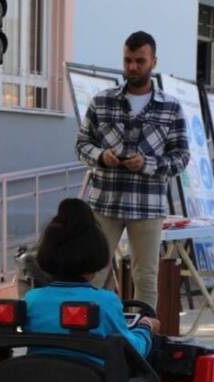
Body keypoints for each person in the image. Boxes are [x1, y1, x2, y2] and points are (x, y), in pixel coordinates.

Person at [75, 30, 190, 308]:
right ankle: (87, 332)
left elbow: (182, 157)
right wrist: (102, 156)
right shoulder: (101, 101)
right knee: (93, 272)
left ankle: (144, 337)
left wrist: (147, 164)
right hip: (104, 202)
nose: (132, 67)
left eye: (139, 61)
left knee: (146, 276)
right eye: (128, 60)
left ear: (153, 62)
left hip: (147, 204)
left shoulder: (171, 107)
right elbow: (81, 145)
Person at [25, 199, 159, 361]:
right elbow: (133, 351)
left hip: (36, 379)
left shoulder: (32, 299)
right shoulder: (105, 301)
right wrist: (145, 328)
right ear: (94, 258)